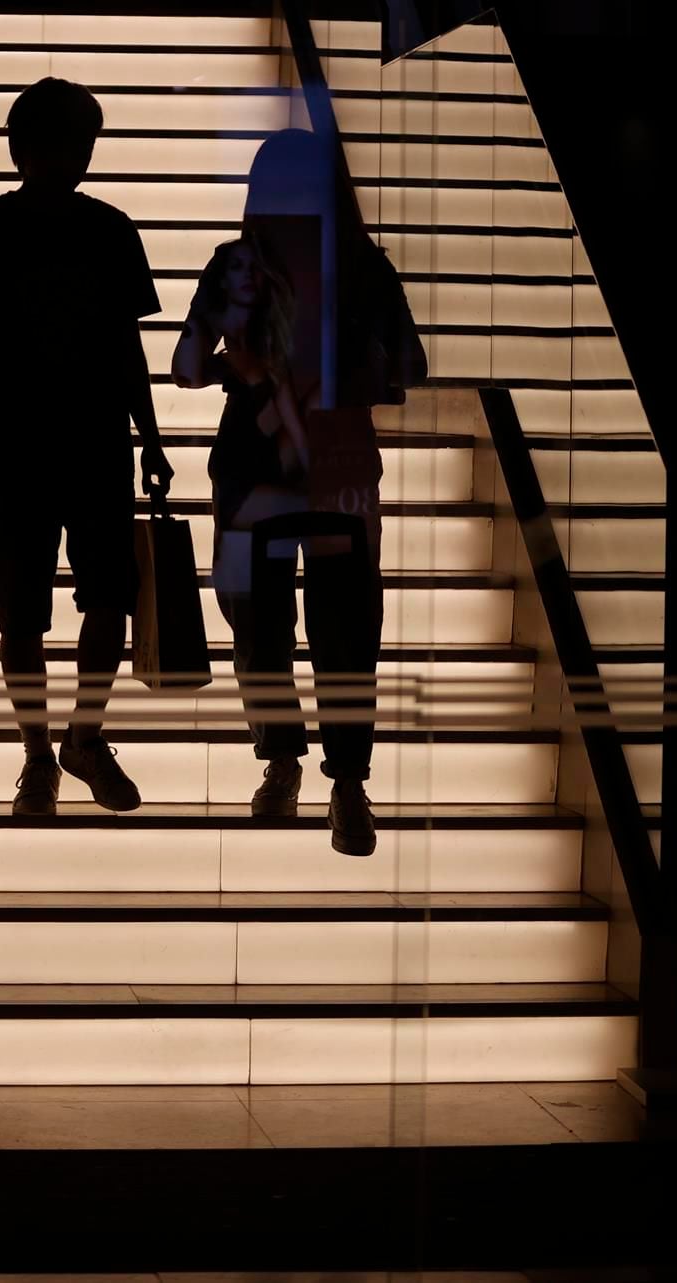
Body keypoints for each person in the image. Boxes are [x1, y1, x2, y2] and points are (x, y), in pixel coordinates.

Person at [0, 76, 173, 816]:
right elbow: (123, 345)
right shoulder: (103, 230)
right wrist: (149, 438)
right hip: (58, 443)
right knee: (56, 605)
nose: (77, 156)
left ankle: (53, 750)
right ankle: (68, 742)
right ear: (26, 148)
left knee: (51, 607)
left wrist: (149, 437)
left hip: (35, 444)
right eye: (72, 142)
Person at [174, 129, 426, 855]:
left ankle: (282, 763)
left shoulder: (236, 267)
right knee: (346, 625)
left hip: (255, 466)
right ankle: (347, 784)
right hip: (340, 463)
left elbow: (186, 365)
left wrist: (238, 367)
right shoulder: (365, 268)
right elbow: (409, 368)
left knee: (259, 624)